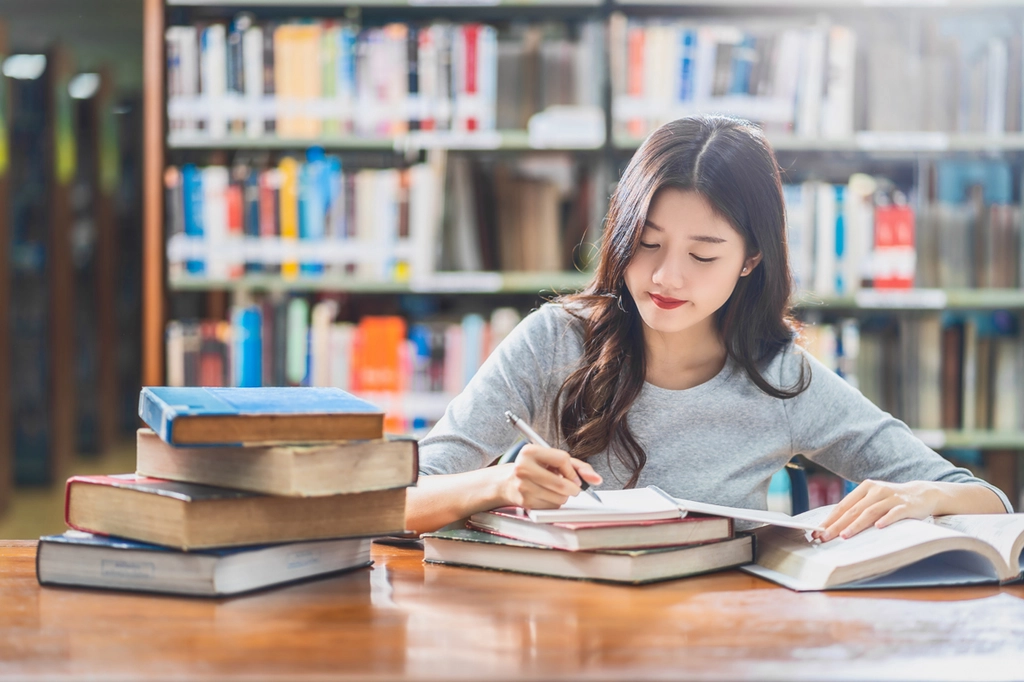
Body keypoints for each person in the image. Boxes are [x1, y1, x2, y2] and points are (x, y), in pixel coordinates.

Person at [407, 115, 1010, 539]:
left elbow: (990, 501)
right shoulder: (554, 342)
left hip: (717, 637)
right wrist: (499, 484)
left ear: (750, 260)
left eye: (703, 256)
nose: (666, 277)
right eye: (646, 244)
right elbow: (398, 501)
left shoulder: (781, 379)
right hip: (573, 635)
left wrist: (923, 496)